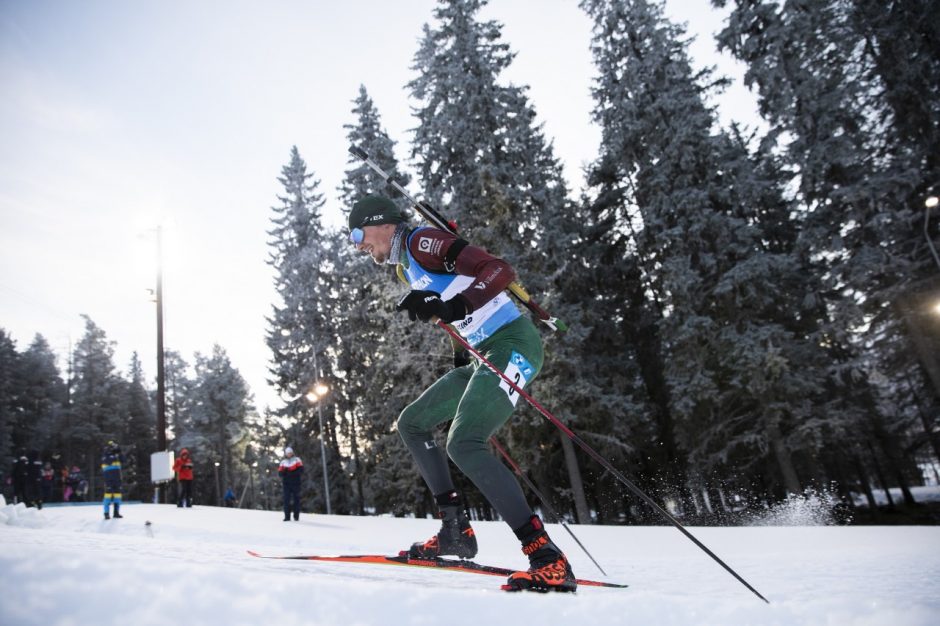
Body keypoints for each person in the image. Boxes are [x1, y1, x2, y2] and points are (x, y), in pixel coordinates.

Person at [346, 195, 577, 592]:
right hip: (479, 355)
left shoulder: (421, 241)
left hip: (513, 343)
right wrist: (454, 343)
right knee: (413, 422)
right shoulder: (405, 267)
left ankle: (547, 557)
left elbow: (497, 270)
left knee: (465, 443)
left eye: (358, 234)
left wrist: (453, 307)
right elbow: (454, 312)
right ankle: (455, 529)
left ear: (381, 222)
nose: (358, 245)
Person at [277, 446, 303, 521]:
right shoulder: (283, 462)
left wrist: (292, 473)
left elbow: (301, 470)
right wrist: (284, 472)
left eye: (290, 453)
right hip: (286, 484)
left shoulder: (297, 460)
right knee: (286, 500)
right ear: (285, 454)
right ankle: (287, 517)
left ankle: (296, 516)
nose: (289, 454)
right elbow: (280, 473)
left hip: (296, 483)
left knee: (296, 499)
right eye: (288, 453)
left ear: (292, 453)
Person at [100, 441, 124, 519]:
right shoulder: (105, 455)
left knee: (118, 495)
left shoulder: (116, 455)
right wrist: (112, 453)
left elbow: (124, 460)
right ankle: (106, 513)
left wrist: (119, 452)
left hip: (117, 478)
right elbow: (108, 461)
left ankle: (116, 513)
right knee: (108, 495)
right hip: (108, 479)